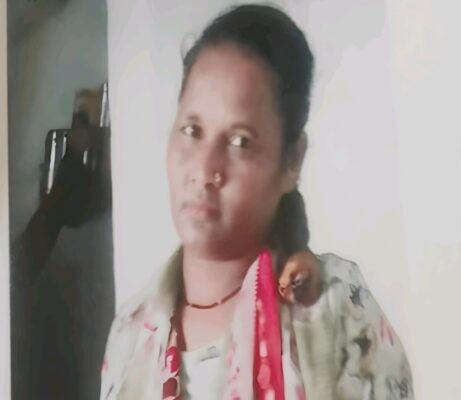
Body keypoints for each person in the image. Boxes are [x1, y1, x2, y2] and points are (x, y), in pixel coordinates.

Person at [100, 4, 413, 399]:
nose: (204, 169)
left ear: (291, 161)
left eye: (239, 141)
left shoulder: (334, 305)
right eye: (192, 130)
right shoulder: (129, 334)